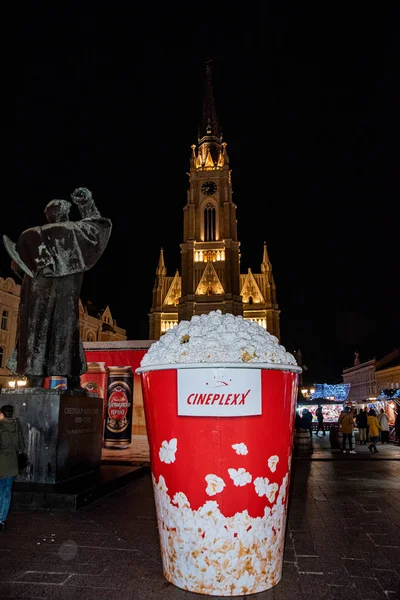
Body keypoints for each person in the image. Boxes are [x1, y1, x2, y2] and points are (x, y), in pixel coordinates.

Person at [3, 188, 112, 391]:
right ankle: (72, 381)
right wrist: (86, 204)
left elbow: (16, 265)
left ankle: (35, 380)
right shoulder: (75, 231)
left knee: (39, 333)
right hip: (64, 296)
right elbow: (97, 227)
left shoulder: (31, 235)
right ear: (65, 211)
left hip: (39, 297)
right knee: (65, 334)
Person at [0, 405, 24, 530]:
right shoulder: (16, 425)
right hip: (12, 463)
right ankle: (2, 519)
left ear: (2, 414)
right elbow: (21, 445)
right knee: (6, 491)